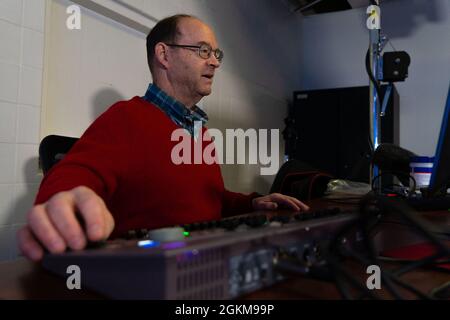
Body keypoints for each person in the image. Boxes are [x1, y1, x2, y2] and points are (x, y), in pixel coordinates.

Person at [17, 14, 309, 261]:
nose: (215, 62)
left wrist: (252, 204)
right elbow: (71, 178)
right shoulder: (126, 117)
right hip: (152, 270)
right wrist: (63, 201)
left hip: (201, 261)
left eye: (216, 54)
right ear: (164, 55)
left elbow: (209, 200)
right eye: (203, 51)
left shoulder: (199, 131)